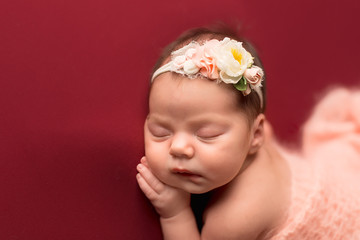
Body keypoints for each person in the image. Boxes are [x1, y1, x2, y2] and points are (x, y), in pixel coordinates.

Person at [136, 25, 360, 239]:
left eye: (207, 135)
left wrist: (175, 214)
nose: (178, 148)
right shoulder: (257, 137)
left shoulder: (234, 219)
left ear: (256, 135)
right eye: (161, 131)